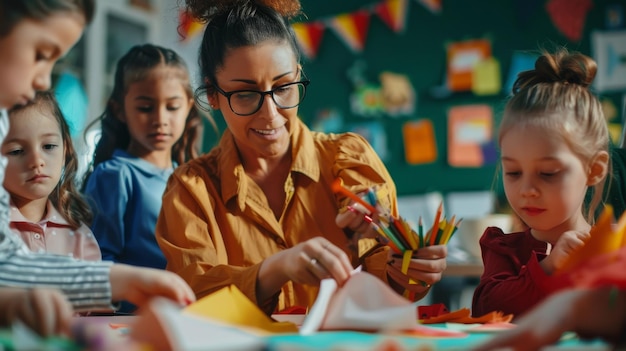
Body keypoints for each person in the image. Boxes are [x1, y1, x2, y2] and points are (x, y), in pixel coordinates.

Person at [156, 0, 447, 315]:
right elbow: (193, 295)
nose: (270, 114)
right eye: (245, 94)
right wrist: (274, 269)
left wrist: (408, 259)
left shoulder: (350, 160)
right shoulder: (191, 191)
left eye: (283, 87)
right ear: (212, 94)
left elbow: (389, 284)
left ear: (298, 74)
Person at [0, 0, 195, 337]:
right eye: (41, 53)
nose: (45, 79)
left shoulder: (187, 176)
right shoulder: (116, 175)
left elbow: (7, 265)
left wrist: (119, 280)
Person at [471, 49, 610, 318]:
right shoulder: (503, 250)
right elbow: (486, 308)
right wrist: (548, 268)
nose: (526, 190)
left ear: (594, 169)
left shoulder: (614, 247)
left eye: (547, 173)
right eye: (513, 172)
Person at [82, 44, 202, 270]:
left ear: (188, 108)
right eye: (146, 107)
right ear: (119, 110)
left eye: (172, 107)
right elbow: (97, 263)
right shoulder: (115, 176)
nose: (160, 119)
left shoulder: (191, 177)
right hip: (136, 306)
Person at [4, 91, 100, 260]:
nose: (37, 161)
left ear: (65, 150)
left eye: (48, 146)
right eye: (17, 151)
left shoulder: (80, 238)